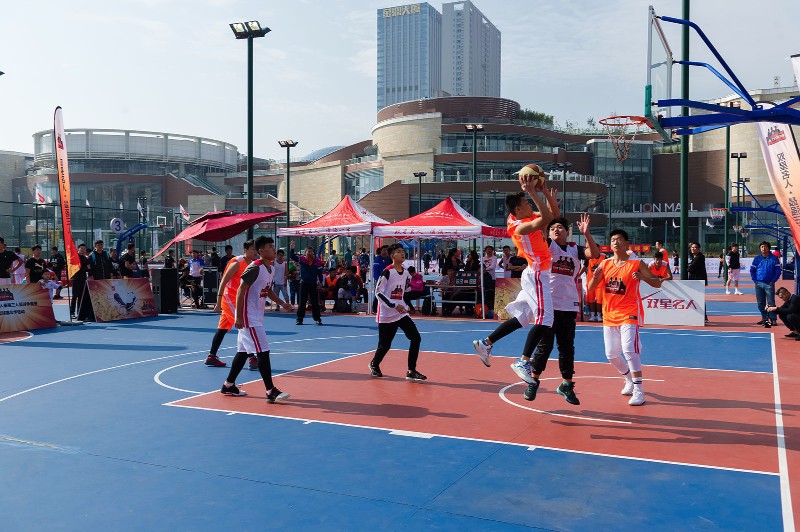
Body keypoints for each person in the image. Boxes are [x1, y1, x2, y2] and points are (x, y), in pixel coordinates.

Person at [472, 173, 557, 388]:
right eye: (527, 203)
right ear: (519, 210)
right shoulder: (519, 227)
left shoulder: (522, 217)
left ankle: (486, 343)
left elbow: (554, 215)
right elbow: (547, 218)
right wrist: (534, 192)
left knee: (523, 318)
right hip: (537, 273)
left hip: (532, 272)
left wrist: (544, 192)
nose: (530, 204)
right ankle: (523, 361)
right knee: (546, 319)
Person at [523, 213, 600, 406]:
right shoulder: (548, 246)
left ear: (567, 232)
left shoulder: (575, 249)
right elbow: (540, 231)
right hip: (548, 304)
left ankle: (566, 384)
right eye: (552, 228)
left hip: (568, 305)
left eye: (560, 227)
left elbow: (594, 253)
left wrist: (586, 233)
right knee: (545, 346)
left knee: (567, 347)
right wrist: (545, 216)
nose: (556, 230)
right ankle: (533, 381)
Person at [586, 229, 664, 406]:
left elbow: (657, 283)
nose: (615, 242)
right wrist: (595, 277)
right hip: (609, 314)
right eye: (613, 239)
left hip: (629, 312)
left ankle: (639, 390)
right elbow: (591, 288)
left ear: (627, 243)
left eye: (619, 239)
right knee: (611, 354)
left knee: (628, 349)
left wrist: (643, 277)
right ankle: (628, 379)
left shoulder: (636, 263)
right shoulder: (605, 264)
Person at [220, 236, 293, 403]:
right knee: (263, 351)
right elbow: (240, 290)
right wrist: (239, 316)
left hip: (256, 316)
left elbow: (268, 290)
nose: (273, 249)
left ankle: (228, 385)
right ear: (261, 251)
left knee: (243, 352)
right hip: (248, 317)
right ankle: (270, 390)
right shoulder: (255, 267)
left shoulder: (271, 269)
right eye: (270, 246)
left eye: (273, 246)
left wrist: (282, 303)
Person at [368, 243, 426, 381]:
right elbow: (378, 292)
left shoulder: (405, 272)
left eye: (403, 251)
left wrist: (406, 302)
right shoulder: (387, 271)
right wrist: (393, 305)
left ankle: (411, 370)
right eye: (399, 251)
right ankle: (374, 364)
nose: (402, 253)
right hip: (387, 313)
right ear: (392, 255)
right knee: (385, 345)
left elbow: (403, 290)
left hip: (400, 313)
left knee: (416, 338)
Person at [206, 239, 257, 369]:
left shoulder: (252, 264)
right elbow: (223, 281)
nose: (255, 252)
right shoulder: (237, 263)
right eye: (252, 249)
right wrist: (218, 302)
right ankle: (252, 358)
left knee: (222, 328)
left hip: (237, 299)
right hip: (229, 299)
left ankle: (211, 356)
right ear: (245, 250)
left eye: (256, 249)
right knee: (243, 325)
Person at [289, 240, 324, 325]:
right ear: (305, 252)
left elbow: (320, 273)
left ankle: (317, 318)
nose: (310, 253)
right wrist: (292, 248)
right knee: (302, 301)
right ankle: (299, 318)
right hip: (303, 283)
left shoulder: (317, 261)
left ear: (313, 253)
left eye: (311, 252)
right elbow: (292, 256)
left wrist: (320, 282)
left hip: (313, 284)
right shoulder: (301, 259)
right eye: (308, 252)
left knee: (315, 302)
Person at [751, 241, 782, 328]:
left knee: (771, 302)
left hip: (769, 284)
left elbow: (778, 271)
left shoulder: (774, 258)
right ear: (760, 248)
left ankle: (773, 319)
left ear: (768, 248)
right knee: (760, 303)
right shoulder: (757, 259)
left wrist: (773, 281)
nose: (763, 248)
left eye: (765, 247)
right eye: (762, 247)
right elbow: (752, 270)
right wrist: (755, 280)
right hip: (759, 283)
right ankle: (764, 318)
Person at [687, 242, 708, 323]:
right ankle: (701, 316)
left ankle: (703, 316)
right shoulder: (695, 257)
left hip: (698, 280)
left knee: (699, 298)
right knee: (696, 298)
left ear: (699, 249)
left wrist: (689, 266)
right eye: (692, 247)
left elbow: (690, 269)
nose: (693, 249)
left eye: (695, 247)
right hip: (696, 280)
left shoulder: (699, 257)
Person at [585, 251, 606, 321]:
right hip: (590, 282)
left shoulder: (604, 257)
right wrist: (578, 274)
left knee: (599, 300)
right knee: (590, 299)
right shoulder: (588, 258)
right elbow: (584, 266)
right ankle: (592, 315)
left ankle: (599, 315)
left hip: (600, 282)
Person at [371, 245, 392, 313]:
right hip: (379, 279)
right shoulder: (377, 258)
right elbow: (375, 269)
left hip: (387, 279)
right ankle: (375, 308)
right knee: (378, 293)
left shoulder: (389, 259)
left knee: (387, 293)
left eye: (386, 250)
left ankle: (385, 308)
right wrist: (377, 279)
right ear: (381, 251)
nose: (385, 252)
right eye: (384, 250)